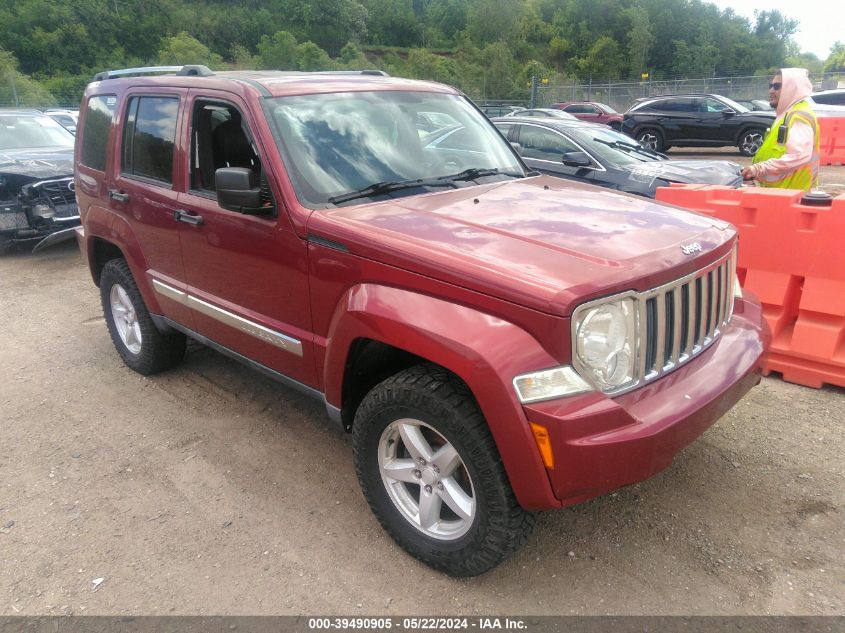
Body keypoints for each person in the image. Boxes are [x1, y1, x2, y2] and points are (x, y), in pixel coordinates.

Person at [741, 68, 820, 191]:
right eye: (770, 86)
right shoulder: (786, 115)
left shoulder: (798, 116)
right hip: (782, 194)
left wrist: (759, 169)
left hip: (793, 196)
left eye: (777, 86)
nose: (771, 90)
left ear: (792, 88)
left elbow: (798, 155)